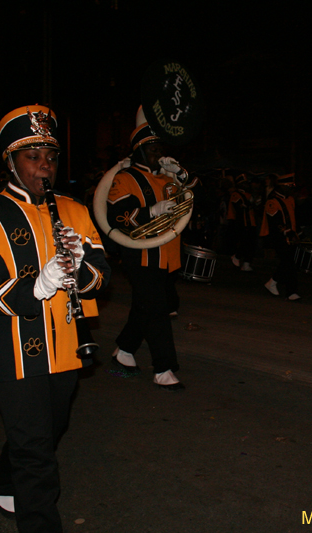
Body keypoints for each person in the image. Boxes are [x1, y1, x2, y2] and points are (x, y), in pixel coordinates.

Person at [0, 105, 111, 532]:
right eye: (32, 156)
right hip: (11, 350)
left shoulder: (73, 209)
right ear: (11, 162)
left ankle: (0, 476)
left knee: (49, 429)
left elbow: (102, 275)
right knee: (36, 451)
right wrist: (35, 286)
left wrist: (79, 266)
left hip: (66, 346)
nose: (44, 166)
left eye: (50, 157)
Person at [105, 106, 187, 391]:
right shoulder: (125, 178)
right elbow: (117, 217)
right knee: (157, 310)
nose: (157, 152)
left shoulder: (167, 177)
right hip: (141, 254)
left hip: (167, 254)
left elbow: (196, 199)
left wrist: (181, 174)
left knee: (145, 306)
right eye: (152, 148)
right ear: (138, 150)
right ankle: (164, 368)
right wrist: (151, 211)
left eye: (159, 147)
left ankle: (125, 349)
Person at [260, 173, 300, 300]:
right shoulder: (272, 201)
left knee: (288, 263)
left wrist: (296, 233)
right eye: (289, 186)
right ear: (283, 186)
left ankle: (275, 283)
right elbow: (275, 223)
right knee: (289, 263)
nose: (291, 189)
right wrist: (287, 232)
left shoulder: (290, 199)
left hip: (290, 236)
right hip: (278, 238)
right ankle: (290, 291)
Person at [228, 173, 257, 271]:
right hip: (240, 222)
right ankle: (237, 256)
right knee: (244, 242)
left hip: (251, 222)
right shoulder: (235, 194)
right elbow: (239, 207)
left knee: (251, 243)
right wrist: (250, 204)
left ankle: (246, 263)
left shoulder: (249, 194)